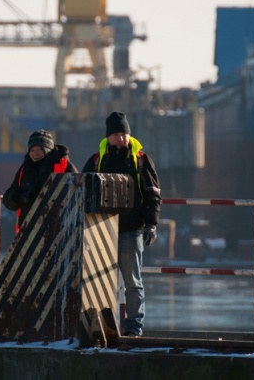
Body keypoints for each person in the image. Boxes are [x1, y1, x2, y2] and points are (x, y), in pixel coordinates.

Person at [81, 112, 161, 337]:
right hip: (100, 230)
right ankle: (103, 327)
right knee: (97, 280)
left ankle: (134, 327)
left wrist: (151, 225)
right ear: (109, 137)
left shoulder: (141, 160)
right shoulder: (97, 160)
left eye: (124, 134)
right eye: (117, 134)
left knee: (133, 282)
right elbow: (82, 187)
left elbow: (153, 194)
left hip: (131, 229)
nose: (122, 138)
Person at [3, 130, 78, 233]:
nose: (35, 153)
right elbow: (7, 200)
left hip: (57, 231)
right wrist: (18, 196)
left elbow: (78, 191)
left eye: (39, 149)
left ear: (47, 150)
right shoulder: (24, 169)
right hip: (27, 233)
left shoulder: (63, 164)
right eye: (32, 150)